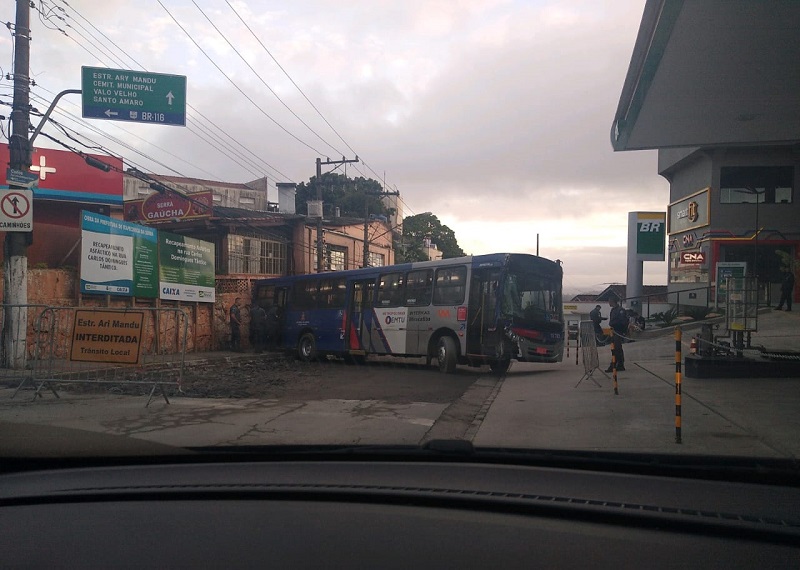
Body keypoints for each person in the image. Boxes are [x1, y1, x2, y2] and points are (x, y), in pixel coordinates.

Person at [605, 297, 628, 372]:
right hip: (614, 331)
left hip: (618, 331)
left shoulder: (620, 310)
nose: (609, 303)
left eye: (609, 301)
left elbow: (623, 322)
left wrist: (614, 324)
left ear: (612, 301)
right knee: (617, 348)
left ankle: (614, 365)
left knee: (616, 349)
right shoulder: (613, 310)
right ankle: (620, 365)